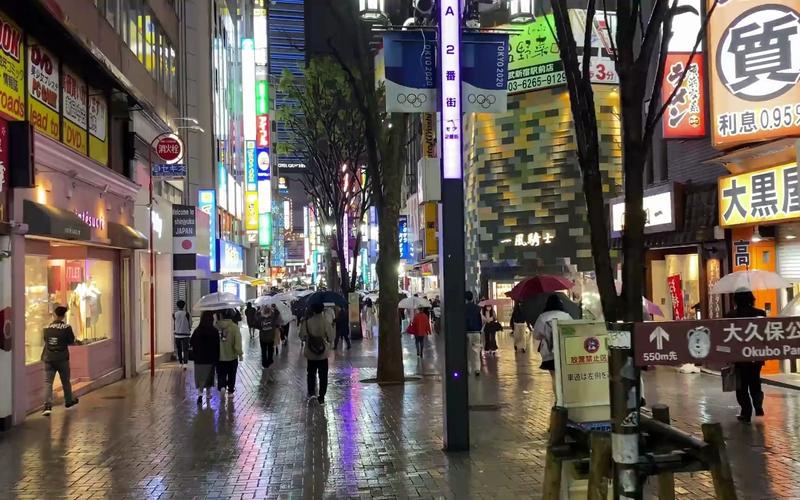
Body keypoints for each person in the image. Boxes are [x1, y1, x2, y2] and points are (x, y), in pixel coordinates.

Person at [725, 290, 766, 423]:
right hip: (756, 355)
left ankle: (746, 413)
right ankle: (758, 404)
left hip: (739, 358)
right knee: (755, 381)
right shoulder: (761, 314)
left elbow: (726, 338)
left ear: (735, 300)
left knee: (741, 387)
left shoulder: (730, 316)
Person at [41, 306, 79, 416]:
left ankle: (47, 406)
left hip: (49, 358)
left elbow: (45, 340)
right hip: (62, 358)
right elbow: (71, 341)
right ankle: (68, 401)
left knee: (48, 382)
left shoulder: (47, 327)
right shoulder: (67, 327)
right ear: (64, 315)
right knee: (65, 381)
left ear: (54, 314)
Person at [533, 294, 573, 394]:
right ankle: (566, 398)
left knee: (554, 376)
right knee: (563, 376)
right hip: (564, 350)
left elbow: (536, 335)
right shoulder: (566, 316)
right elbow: (573, 331)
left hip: (549, 353)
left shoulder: (542, 317)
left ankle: (558, 400)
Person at [300, 303, 333, 404]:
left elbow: (302, 336)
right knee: (323, 375)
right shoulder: (326, 322)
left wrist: (309, 338)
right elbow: (330, 337)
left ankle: (311, 393)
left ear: (313, 310)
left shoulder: (307, 322)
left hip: (311, 353)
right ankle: (321, 396)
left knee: (311, 373)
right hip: (323, 353)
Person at [190, 311, 220, 405]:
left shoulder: (197, 330)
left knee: (200, 377)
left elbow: (191, 342)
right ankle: (208, 394)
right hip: (210, 358)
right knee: (209, 376)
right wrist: (217, 357)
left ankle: (200, 394)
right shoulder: (214, 331)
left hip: (199, 358)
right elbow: (217, 346)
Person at [215, 309, 243, 398]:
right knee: (232, 374)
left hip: (219, 356)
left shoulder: (216, 326)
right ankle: (230, 391)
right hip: (232, 356)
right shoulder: (234, 327)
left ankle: (222, 387)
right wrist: (240, 353)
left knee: (221, 373)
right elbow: (237, 342)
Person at [465, 291, 483, 376]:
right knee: (476, 352)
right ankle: (477, 369)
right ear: (472, 298)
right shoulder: (478, 308)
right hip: (476, 333)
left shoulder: (463, 308)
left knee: (467, 352)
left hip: (467, 332)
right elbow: (481, 320)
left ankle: (468, 369)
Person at [173, 300, 192, 370]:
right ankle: (185, 363)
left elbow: (174, 323)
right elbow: (190, 323)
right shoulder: (187, 314)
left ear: (177, 306)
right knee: (185, 349)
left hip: (177, 334)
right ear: (184, 306)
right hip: (186, 334)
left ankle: (180, 362)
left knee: (179, 349)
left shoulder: (174, 314)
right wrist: (189, 328)